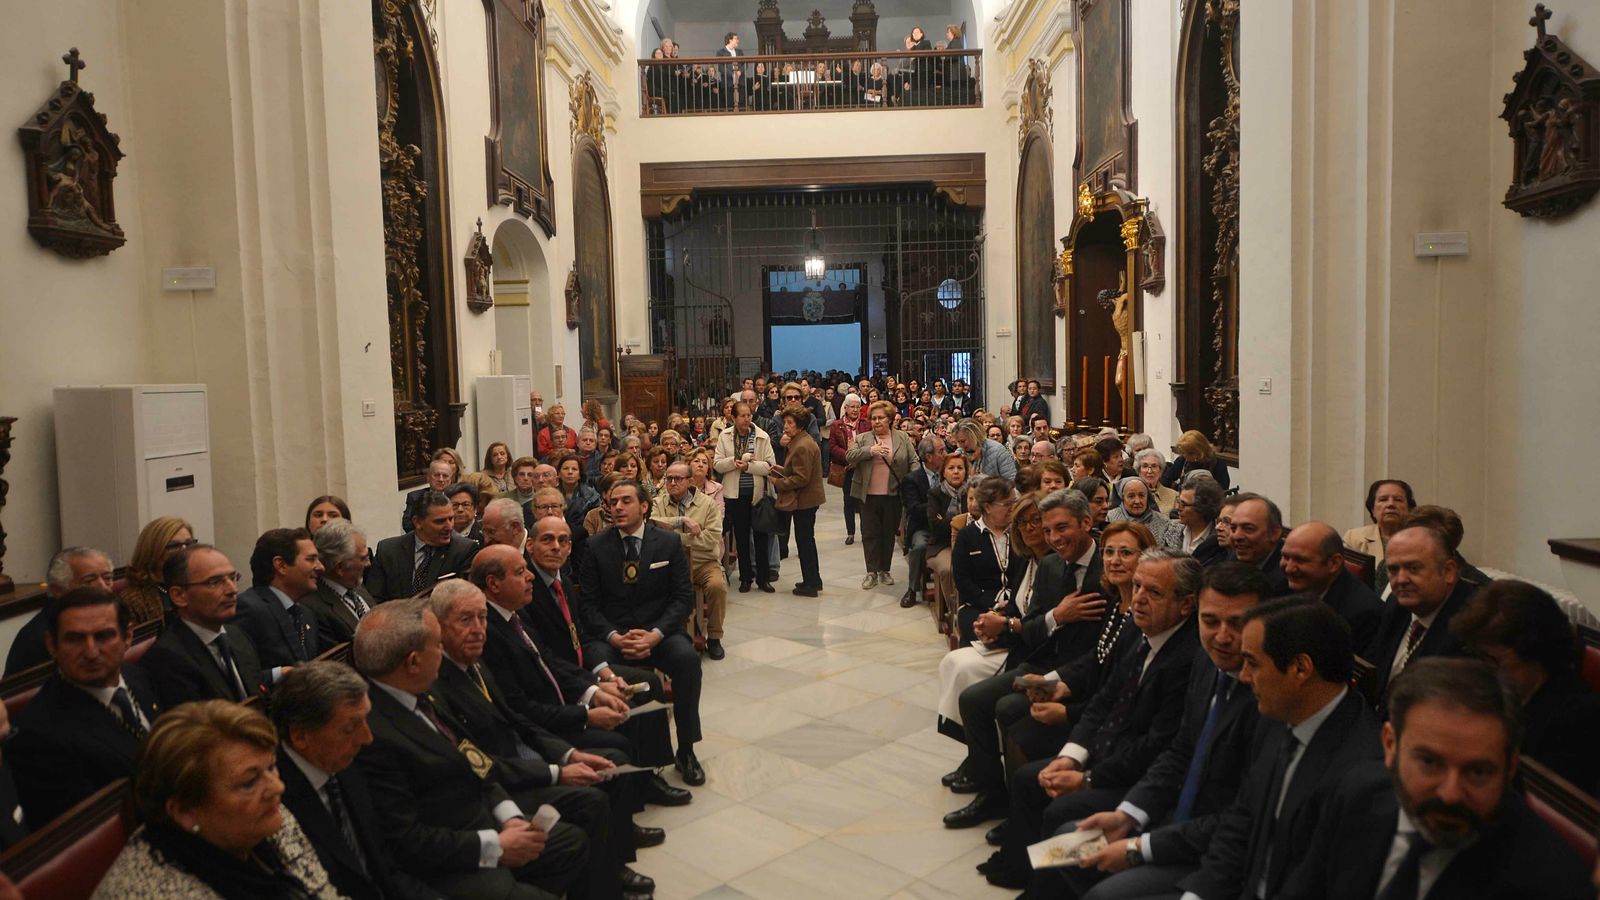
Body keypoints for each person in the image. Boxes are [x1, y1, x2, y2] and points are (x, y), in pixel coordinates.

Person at [1282, 658, 1594, 900]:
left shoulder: (1553, 885)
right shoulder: (1355, 793)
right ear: (1390, 746)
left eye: (1478, 772)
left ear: (1510, 767)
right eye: (1430, 763)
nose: (1451, 794)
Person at [981, 548, 1202, 890]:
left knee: (1061, 811)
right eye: (1138, 586)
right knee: (1030, 778)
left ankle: (1046, 888)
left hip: (1138, 775)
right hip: (1107, 751)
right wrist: (1071, 756)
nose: (1139, 599)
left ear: (1186, 605)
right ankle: (1020, 871)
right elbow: (1104, 701)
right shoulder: (1136, 629)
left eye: (1153, 592)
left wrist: (1087, 778)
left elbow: (1156, 746)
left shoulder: (1188, 660)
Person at [427, 581, 656, 900]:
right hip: (500, 783)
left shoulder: (473, 660)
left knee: (605, 769)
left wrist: (568, 755)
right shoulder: (437, 682)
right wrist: (558, 770)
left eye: (482, 618)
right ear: (436, 626)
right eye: (466, 620)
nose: (479, 629)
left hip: (517, 759)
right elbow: (484, 759)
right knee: (592, 801)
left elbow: (515, 720)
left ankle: (609, 876)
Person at [351, 599, 589, 899]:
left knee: (570, 841)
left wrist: (510, 817)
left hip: (481, 816)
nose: (443, 653)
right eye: (437, 645)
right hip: (450, 859)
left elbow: (476, 762)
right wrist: (496, 845)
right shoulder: (371, 733)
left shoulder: (421, 694)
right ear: (413, 662)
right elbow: (406, 841)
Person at [1062, 563, 1271, 899]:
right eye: (1210, 621)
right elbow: (1181, 750)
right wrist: (1128, 814)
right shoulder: (1207, 662)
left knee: (1103, 894)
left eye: (1238, 624)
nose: (1222, 636)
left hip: (1216, 848)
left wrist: (1141, 845)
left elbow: (1243, 815)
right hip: (1173, 816)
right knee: (1063, 849)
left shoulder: (1269, 695)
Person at [1172, 598, 1380, 900]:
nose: (1243, 676)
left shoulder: (1362, 774)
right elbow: (1242, 823)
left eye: (1253, 663)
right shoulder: (1280, 718)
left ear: (1300, 668)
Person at [91, 701, 341, 900]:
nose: (277, 787)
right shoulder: (156, 892)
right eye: (249, 783)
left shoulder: (267, 817)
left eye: (272, 767)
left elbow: (323, 892)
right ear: (184, 811)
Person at [519, 517, 689, 810]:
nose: (556, 547)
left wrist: (606, 673)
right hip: (556, 681)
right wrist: (595, 686)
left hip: (578, 667)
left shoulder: (561, 583)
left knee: (649, 683)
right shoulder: (525, 591)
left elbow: (580, 637)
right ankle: (635, 785)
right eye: (547, 540)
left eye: (563, 541)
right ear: (530, 545)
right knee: (631, 705)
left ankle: (650, 774)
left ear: (571, 548)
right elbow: (544, 659)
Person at [577, 481, 706, 786]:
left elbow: (682, 598)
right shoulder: (596, 546)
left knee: (687, 661)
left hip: (657, 631)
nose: (617, 507)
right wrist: (613, 636)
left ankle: (686, 749)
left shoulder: (667, 543)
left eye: (625, 501)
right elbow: (588, 605)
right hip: (612, 633)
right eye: (612, 502)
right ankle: (629, 754)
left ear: (644, 506)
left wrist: (656, 634)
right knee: (598, 665)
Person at [272, 662, 437, 900]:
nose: (367, 738)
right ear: (300, 736)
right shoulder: (275, 802)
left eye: (366, 720)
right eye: (350, 728)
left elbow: (385, 868)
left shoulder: (348, 765)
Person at [8, 587, 159, 828]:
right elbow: (94, 834)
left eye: (104, 636)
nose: (90, 652)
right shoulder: (38, 735)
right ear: (51, 645)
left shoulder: (139, 678)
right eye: (75, 639)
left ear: (128, 637)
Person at [1450, 579, 1600, 793]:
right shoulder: (1500, 692)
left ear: (1535, 652)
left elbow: (1546, 803)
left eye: (1495, 660)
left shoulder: (1578, 717)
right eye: (1481, 657)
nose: (1486, 669)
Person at [144, 545, 265, 705]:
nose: (232, 589)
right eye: (214, 582)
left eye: (233, 577)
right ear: (179, 595)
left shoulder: (237, 636)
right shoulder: (168, 659)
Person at [1367, 525, 1477, 702]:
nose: (1401, 579)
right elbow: (1373, 667)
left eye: (1414, 568)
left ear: (1448, 572)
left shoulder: (1472, 627)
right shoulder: (1397, 604)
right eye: (1394, 570)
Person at [652, 461, 731, 652]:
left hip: (702, 562)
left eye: (677, 479)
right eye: (668, 478)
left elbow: (711, 539)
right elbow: (651, 525)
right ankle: (663, 634)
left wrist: (672, 537)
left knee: (717, 587)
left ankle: (713, 637)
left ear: (689, 481)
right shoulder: (658, 502)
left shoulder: (707, 504)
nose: (672, 483)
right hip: (668, 563)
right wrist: (681, 520)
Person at [4, 545, 115, 676]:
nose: (103, 587)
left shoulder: (113, 620)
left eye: (107, 578)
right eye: (89, 581)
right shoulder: (38, 640)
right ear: (58, 590)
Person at [231, 527, 325, 674]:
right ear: (281, 565)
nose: (321, 567)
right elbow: (240, 677)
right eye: (311, 559)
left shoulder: (307, 614)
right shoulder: (248, 609)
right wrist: (279, 674)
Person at [1280, 522, 1384, 652]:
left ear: (1334, 563)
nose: (1289, 568)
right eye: (1285, 557)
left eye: (1300, 560)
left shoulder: (1363, 614)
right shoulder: (1286, 586)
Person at [950, 477, 1025, 643]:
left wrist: (1011, 603)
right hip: (978, 605)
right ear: (987, 507)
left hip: (1016, 604)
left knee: (1020, 633)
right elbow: (962, 580)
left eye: (1015, 502)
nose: (1013, 509)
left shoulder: (1020, 533)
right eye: (1006, 504)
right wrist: (992, 604)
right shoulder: (967, 536)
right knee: (981, 630)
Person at [367, 491, 478, 602]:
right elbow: (374, 599)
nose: (449, 527)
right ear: (418, 522)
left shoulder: (464, 550)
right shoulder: (388, 550)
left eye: (450, 519)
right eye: (440, 521)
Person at [714, 400, 777, 592]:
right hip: (735, 494)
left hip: (757, 493)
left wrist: (749, 467)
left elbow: (770, 467)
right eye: (742, 415)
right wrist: (734, 462)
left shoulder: (761, 436)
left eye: (749, 415)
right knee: (741, 537)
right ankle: (746, 578)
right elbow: (717, 464)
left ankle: (764, 578)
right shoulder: (725, 436)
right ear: (733, 417)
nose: (746, 419)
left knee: (761, 537)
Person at [769, 407, 825, 597]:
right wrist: (783, 470)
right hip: (806, 499)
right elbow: (797, 470)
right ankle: (813, 580)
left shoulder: (802, 445)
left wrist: (778, 482)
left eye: (790, 423)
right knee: (806, 540)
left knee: (805, 541)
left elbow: (801, 478)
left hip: (805, 500)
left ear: (800, 425)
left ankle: (811, 583)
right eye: (785, 423)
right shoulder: (800, 441)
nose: (785, 427)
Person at [302, 519, 376, 648]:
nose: (368, 564)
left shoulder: (355, 585)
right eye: (363, 558)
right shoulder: (314, 609)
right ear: (340, 568)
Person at [120, 515, 197, 627]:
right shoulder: (133, 600)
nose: (184, 551)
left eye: (189, 544)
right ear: (153, 551)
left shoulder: (199, 585)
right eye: (174, 546)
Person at [897, 437, 945, 607]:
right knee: (918, 547)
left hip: (947, 525)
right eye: (941, 451)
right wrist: (937, 504)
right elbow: (914, 509)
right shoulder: (912, 479)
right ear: (929, 457)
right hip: (923, 526)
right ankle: (912, 589)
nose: (945, 454)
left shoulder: (949, 472)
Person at [1343, 478, 1415, 580]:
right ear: (1372, 510)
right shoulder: (1354, 538)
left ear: (1409, 509)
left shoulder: (1421, 539)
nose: (1390, 504)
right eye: (1383, 499)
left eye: (1398, 500)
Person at [927, 451, 970, 616]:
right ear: (943, 472)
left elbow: (977, 520)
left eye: (960, 468)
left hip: (969, 543)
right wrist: (963, 520)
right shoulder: (935, 494)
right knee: (948, 569)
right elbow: (935, 526)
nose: (956, 471)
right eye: (951, 468)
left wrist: (947, 520)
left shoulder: (971, 493)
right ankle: (955, 611)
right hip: (942, 544)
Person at [1226, 493, 1291, 597]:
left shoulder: (1288, 575)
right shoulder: (1233, 560)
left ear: (1274, 533)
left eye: (1248, 528)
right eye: (1233, 528)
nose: (1237, 536)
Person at [1164, 480, 1227, 566]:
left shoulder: (1220, 539)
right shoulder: (1171, 529)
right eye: (1178, 501)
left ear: (1203, 508)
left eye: (1184, 504)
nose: (1178, 508)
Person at [829, 394, 864, 545]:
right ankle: (850, 532)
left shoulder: (865, 423)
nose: (855, 410)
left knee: (863, 501)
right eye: (852, 407)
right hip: (846, 467)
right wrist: (848, 456)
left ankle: (866, 531)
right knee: (848, 501)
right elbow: (832, 447)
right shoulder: (837, 425)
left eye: (858, 407)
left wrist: (859, 456)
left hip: (862, 466)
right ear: (846, 408)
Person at [1107, 477, 1176, 548]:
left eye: (1141, 496)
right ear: (1122, 497)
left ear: (1147, 497)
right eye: (1131, 496)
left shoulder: (1164, 522)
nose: (1137, 501)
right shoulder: (1109, 519)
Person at [401, 452, 459, 532]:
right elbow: (407, 525)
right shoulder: (415, 497)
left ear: (450, 480)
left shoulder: (457, 496)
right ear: (428, 477)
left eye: (445, 476)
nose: (441, 479)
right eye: (437, 475)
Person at [1161, 430, 1230, 491]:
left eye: (1189, 453)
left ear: (1199, 451)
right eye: (1183, 452)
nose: (1185, 456)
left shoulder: (1218, 465)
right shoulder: (1182, 461)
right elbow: (1165, 481)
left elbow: (1222, 489)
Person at [1133, 449, 1179, 514]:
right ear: (1139, 471)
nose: (1149, 471)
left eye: (1154, 466)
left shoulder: (1174, 496)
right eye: (1145, 466)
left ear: (1161, 471)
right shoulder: (1130, 494)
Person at [714, 32, 744, 110]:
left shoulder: (740, 52)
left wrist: (739, 72)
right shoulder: (720, 52)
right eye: (736, 39)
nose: (738, 40)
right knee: (729, 105)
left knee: (741, 105)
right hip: (728, 83)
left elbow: (744, 64)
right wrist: (732, 74)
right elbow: (721, 67)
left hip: (740, 82)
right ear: (730, 40)